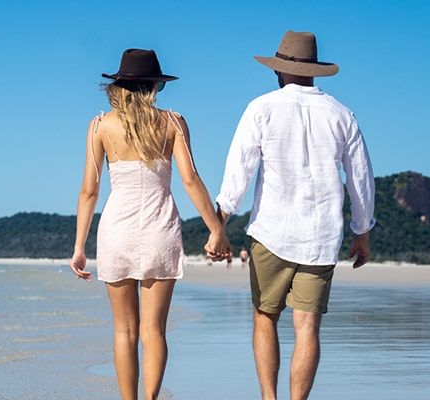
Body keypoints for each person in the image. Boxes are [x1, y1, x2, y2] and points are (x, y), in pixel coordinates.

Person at [215, 31, 376, 400]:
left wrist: (219, 222)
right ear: (315, 71)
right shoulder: (341, 114)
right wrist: (362, 231)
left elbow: (239, 170)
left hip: (272, 232)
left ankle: (269, 398)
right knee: (307, 328)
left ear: (279, 70)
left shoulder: (261, 107)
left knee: (264, 317)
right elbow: (361, 179)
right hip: (321, 237)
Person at [70, 48, 232, 400]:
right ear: (155, 85)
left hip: (117, 231)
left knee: (124, 331)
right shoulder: (173, 122)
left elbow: (89, 191)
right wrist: (216, 228)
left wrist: (79, 246)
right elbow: (190, 179)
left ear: (120, 85)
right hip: (161, 228)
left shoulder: (100, 126)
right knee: (154, 330)